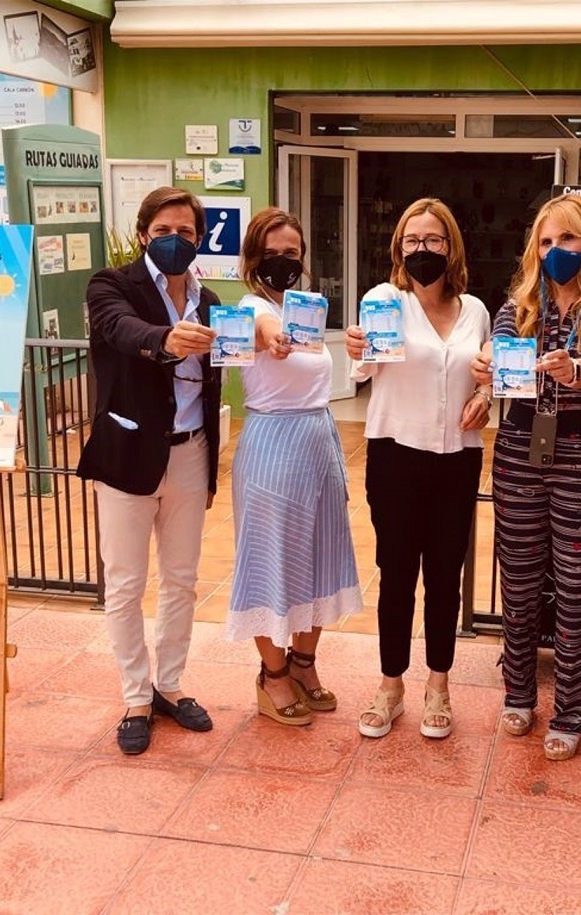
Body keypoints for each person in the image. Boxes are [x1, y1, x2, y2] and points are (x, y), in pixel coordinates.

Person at [470, 192, 581, 761]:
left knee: (578, 589)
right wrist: (485, 366)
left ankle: (571, 711)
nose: (556, 251)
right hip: (519, 449)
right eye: (546, 241)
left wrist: (575, 370)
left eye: (567, 239)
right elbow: (497, 360)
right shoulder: (514, 307)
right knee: (516, 579)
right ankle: (518, 692)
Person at [77, 187, 221, 755]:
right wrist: (164, 339)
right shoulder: (111, 285)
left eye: (185, 232)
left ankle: (170, 685)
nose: (174, 240)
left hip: (190, 452)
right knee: (127, 583)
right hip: (128, 454)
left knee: (182, 580)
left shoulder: (209, 300)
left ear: (199, 239)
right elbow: (118, 330)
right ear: (143, 234)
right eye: (164, 230)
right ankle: (136, 695)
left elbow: (224, 365)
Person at [344, 198, 491, 740]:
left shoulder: (475, 309)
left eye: (433, 240)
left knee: (446, 576)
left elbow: (482, 374)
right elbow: (365, 367)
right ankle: (390, 686)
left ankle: (438, 684)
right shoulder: (386, 300)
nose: (422, 250)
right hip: (396, 453)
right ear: (398, 247)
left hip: (457, 456)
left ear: (450, 246)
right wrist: (359, 346)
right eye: (412, 241)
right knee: (398, 573)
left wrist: (486, 391)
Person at [225, 207, 362, 726]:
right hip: (272, 444)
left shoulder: (305, 308)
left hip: (317, 442)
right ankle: (273, 676)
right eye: (272, 254)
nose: (283, 263)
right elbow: (261, 329)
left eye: (292, 254)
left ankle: (304, 663)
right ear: (253, 257)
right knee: (269, 561)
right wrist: (270, 334)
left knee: (319, 556)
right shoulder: (249, 308)